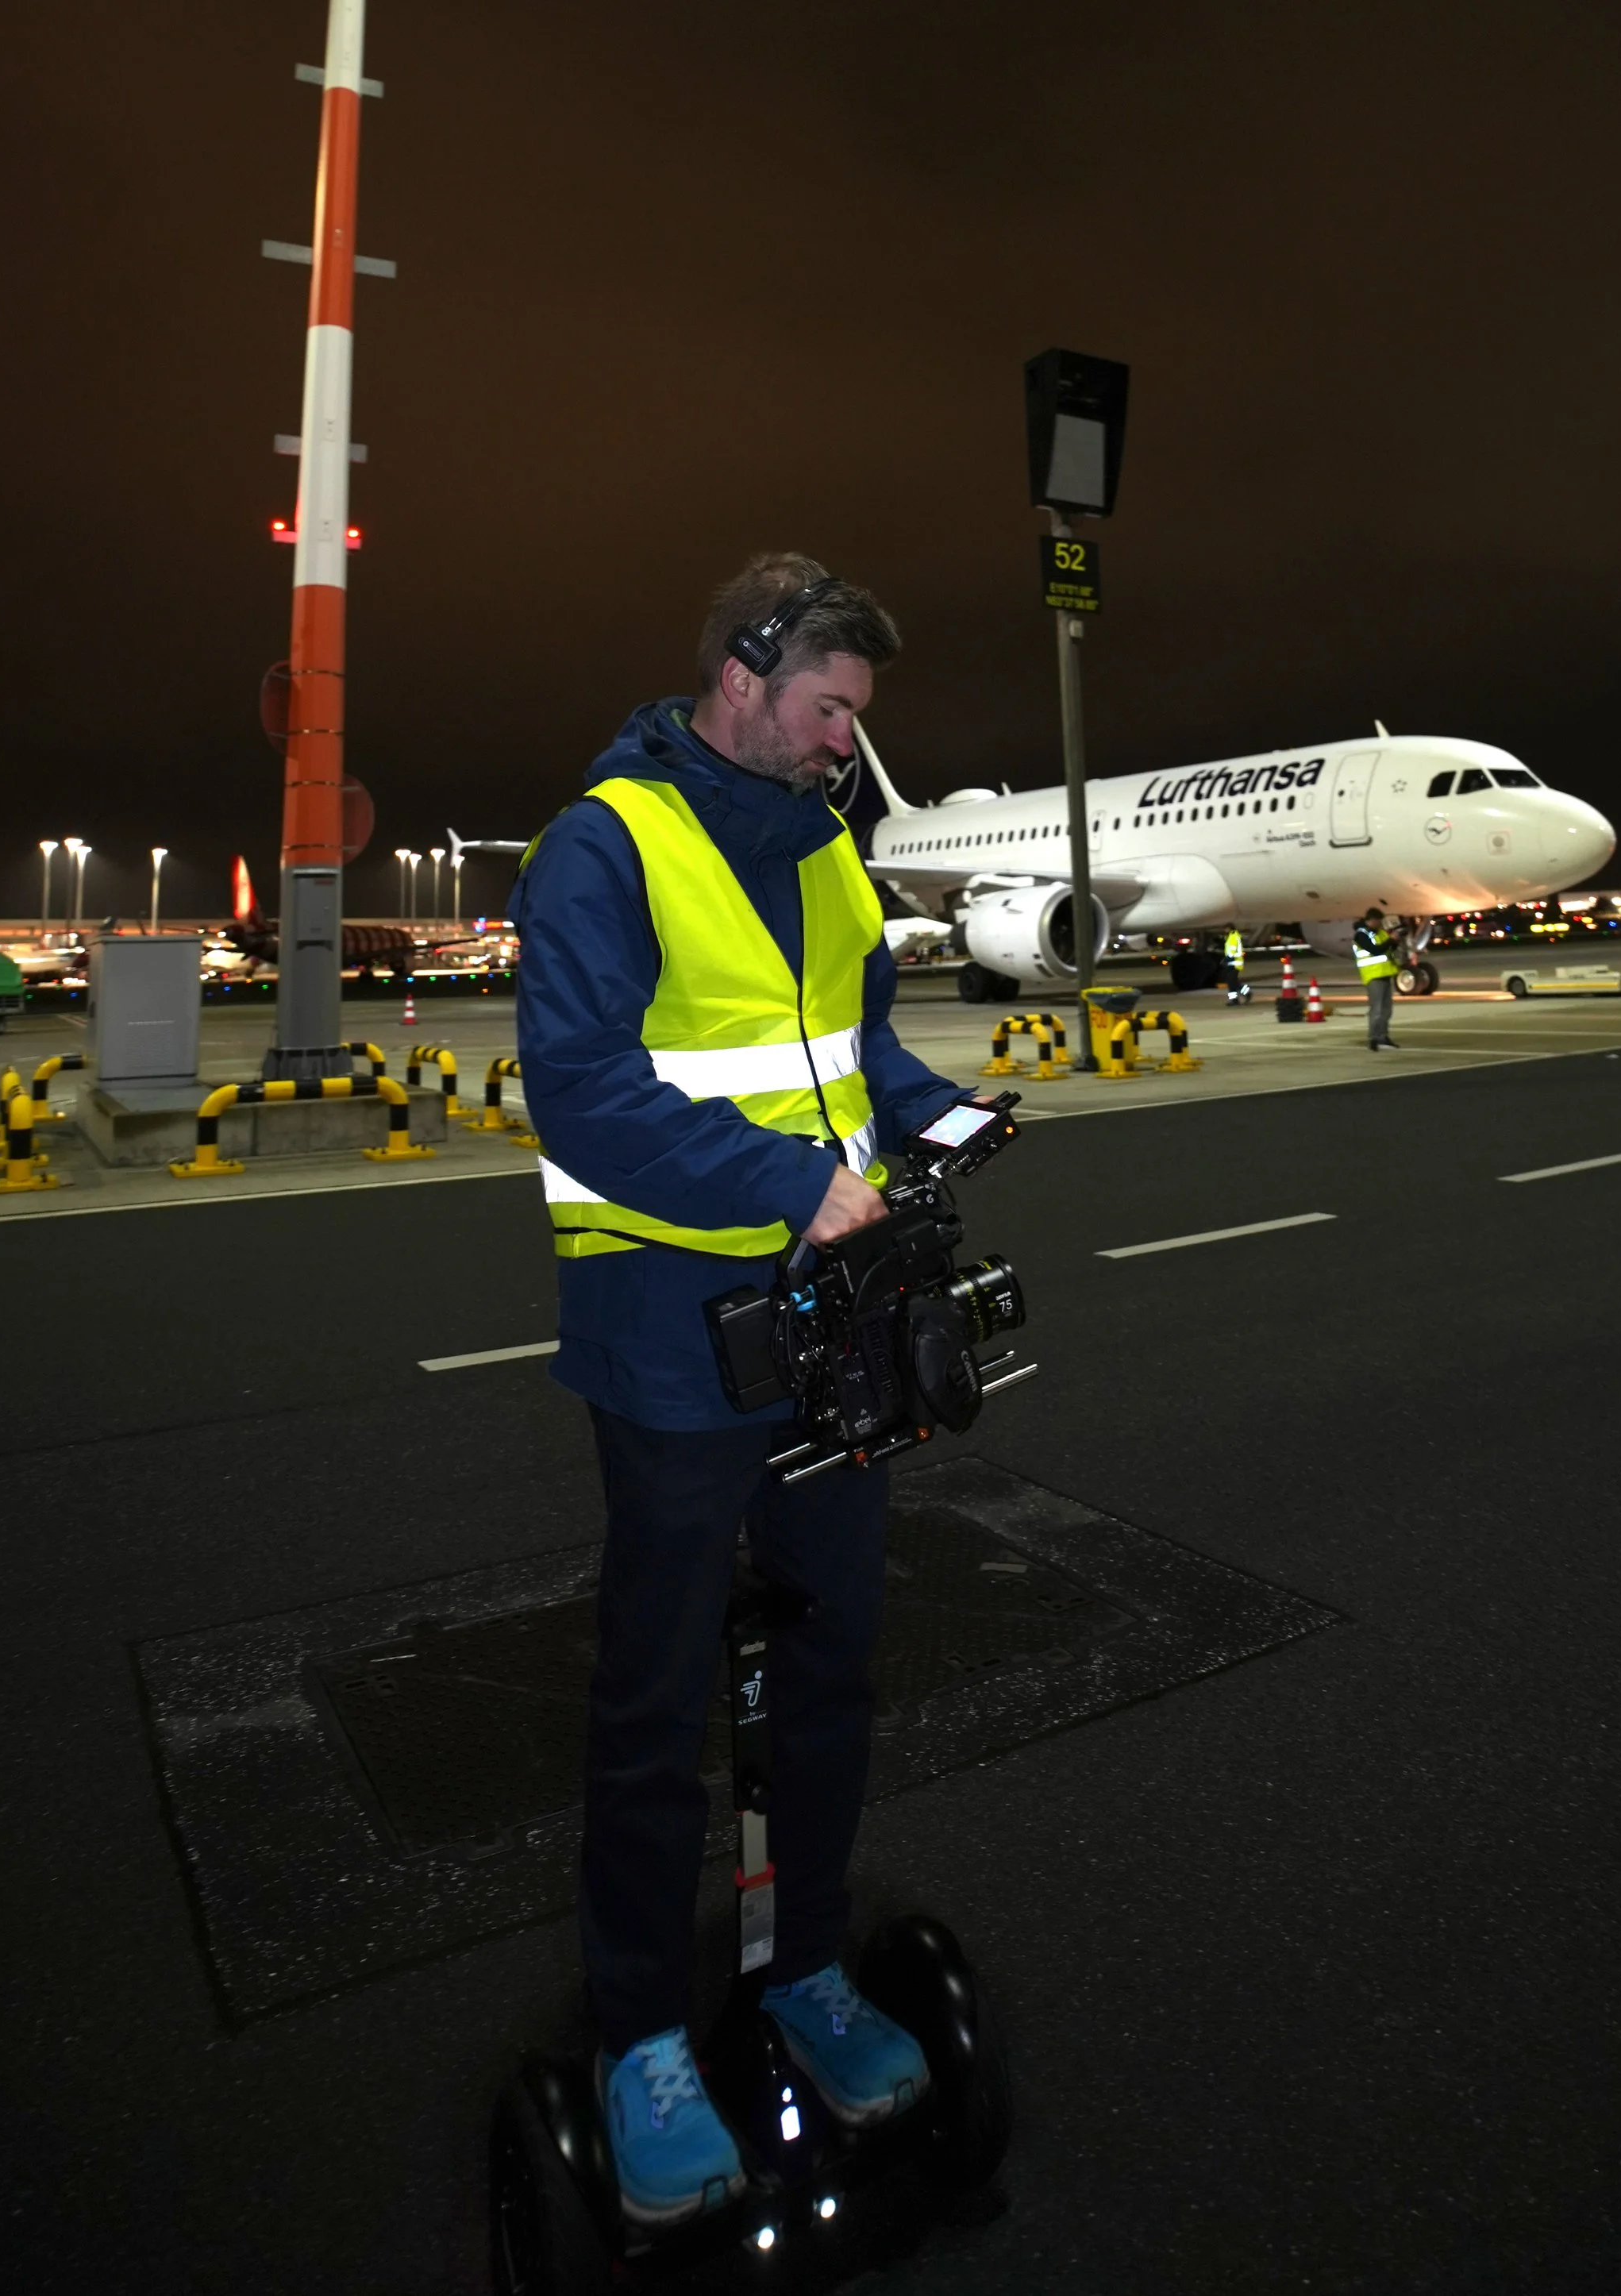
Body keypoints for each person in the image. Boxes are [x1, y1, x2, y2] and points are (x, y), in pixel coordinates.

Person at [511, 553, 970, 2228]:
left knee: (832, 1666)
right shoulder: (603, 845)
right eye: (829, 706)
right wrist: (786, 1188)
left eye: (860, 717)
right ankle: (640, 2033)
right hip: (664, 1334)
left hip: (830, 1325)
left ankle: (803, 1971)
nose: (847, 742)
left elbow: (859, 1054)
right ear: (742, 671)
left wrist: (947, 1118)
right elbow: (578, 1092)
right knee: (654, 1702)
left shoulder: (835, 853)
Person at [1353, 905, 1400, 1048]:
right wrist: (1390, 940)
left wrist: (1395, 941)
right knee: (1377, 1009)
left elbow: (1388, 949)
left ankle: (1383, 1036)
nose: (1380, 924)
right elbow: (1375, 950)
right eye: (1379, 921)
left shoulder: (1381, 933)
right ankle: (1374, 1038)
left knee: (1387, 1010)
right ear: (1371, 920)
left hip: (1385, 974)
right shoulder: (1362, 935)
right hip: (1373, 976)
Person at [1221, 926, 1252, 1004]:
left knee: (1232, 982)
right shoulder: (1230, 937)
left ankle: (1246, 994)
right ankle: (1235, 999)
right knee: (1232, 982)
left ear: (1230, 929)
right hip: (1231, 963)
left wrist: (1227, 959)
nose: (1225, 930)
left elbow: (1232, 951)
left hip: (1235, 963)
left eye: (1226, 928)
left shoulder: (1233, 937)